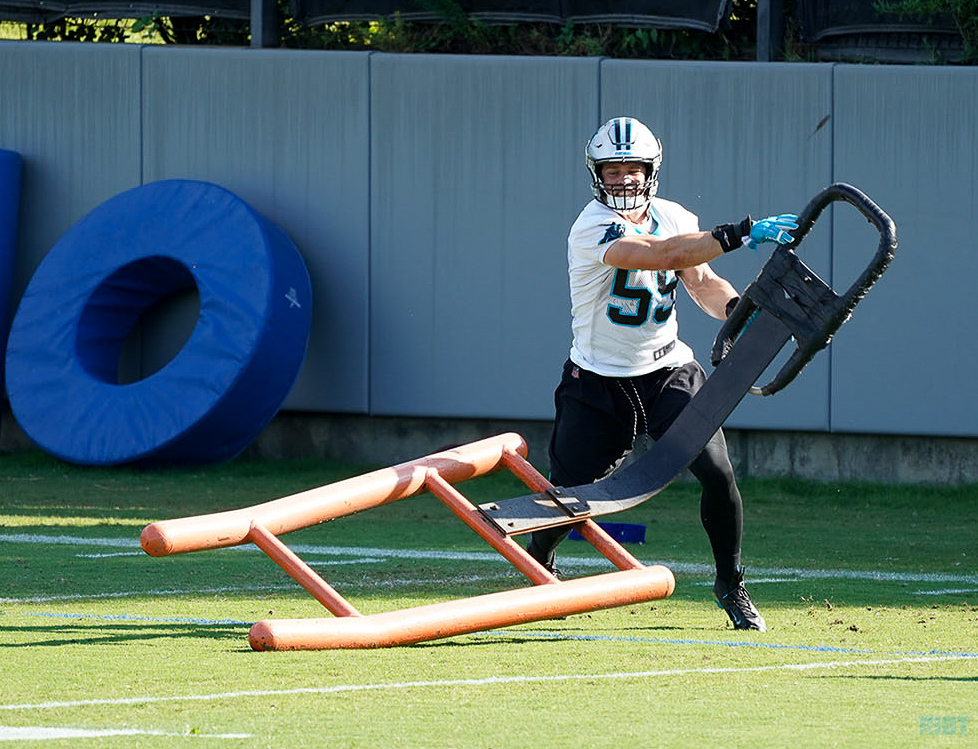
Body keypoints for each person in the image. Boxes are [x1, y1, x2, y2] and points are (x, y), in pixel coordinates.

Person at [526, 116, 798, 631]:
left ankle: (731, 584)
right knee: (570, 493)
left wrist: (737, 310)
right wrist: (739, 233)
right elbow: (659, 255)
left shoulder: (674, 215)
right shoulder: (590, 226)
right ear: (596, 174)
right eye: (613, 170)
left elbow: (700, 279)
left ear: (652, 170)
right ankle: (539, 559)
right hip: (597, 379)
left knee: (718, 474)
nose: (624, 179)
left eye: (634, 168)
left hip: (668, 369)